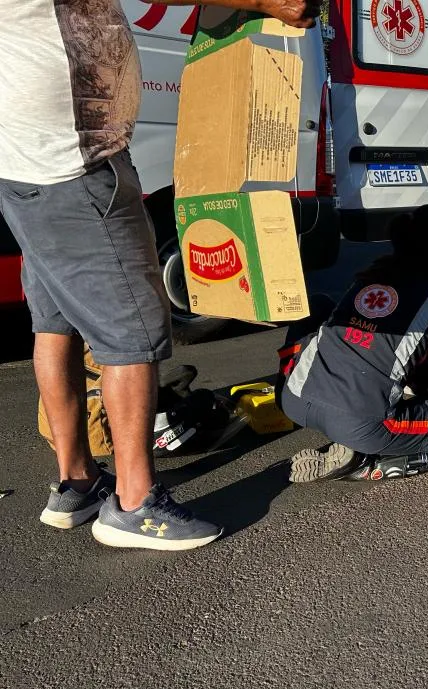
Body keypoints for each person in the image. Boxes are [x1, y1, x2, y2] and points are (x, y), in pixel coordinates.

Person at [0, 0, 319, 551]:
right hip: (73, 169)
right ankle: (133, 503)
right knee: (134, 335)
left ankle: (75, 483)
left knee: (56, 325)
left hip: (35, 168)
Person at [278, 205, 428, 483]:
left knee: (320, 304)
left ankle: (359, 435)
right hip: (360, 423)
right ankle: (365, 464)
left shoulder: (374, 272)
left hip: (294, 397)